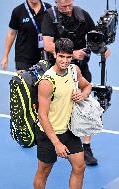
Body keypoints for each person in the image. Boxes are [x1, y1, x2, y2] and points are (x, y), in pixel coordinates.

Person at [41, 0, 110, 165]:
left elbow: (95, 37)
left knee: (85, 106)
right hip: (59, 69)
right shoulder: (50, 16)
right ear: (57, 3)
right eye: (64, 6)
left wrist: (102, 47)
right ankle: (53, 138)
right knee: (54, 107)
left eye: (70, 4)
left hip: (80, 69)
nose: (68, 8)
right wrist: (72, 54)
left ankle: (86, 147)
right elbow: (48, 45)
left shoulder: (81, 14)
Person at [34, 38, 92, 189]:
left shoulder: (74, 70)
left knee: (80, 166)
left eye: (68, 57)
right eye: (61, 56)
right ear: (55, 55)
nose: (65, 61)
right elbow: (42, 115)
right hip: (48, 133)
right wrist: (57, 143)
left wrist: (83, 95)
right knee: (44, 171)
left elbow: (87, 86)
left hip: (68, 130)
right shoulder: (47, 81)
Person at [1, 0, 51, 71]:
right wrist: (5, 56)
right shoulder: (18, 11)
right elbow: (11, 33)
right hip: (24, 58)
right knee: (23, 81)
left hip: (44, 56)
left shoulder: (48, 8)